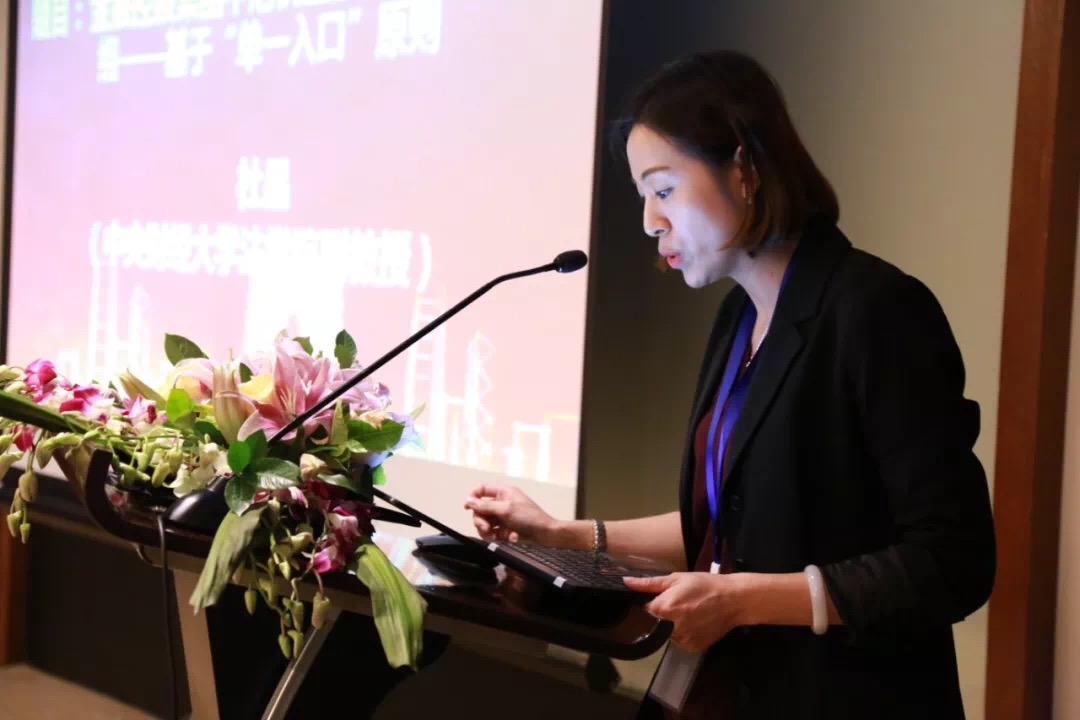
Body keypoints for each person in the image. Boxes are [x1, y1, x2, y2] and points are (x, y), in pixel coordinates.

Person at [464, 50, 996, 719]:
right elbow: (734, 527)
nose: (649, 221)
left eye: (663, 190)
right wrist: (562, 535)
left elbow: (952, 561)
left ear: (744, 169)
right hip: (729, 690)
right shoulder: (737, 318)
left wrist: (744, 601)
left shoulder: (875, 311)